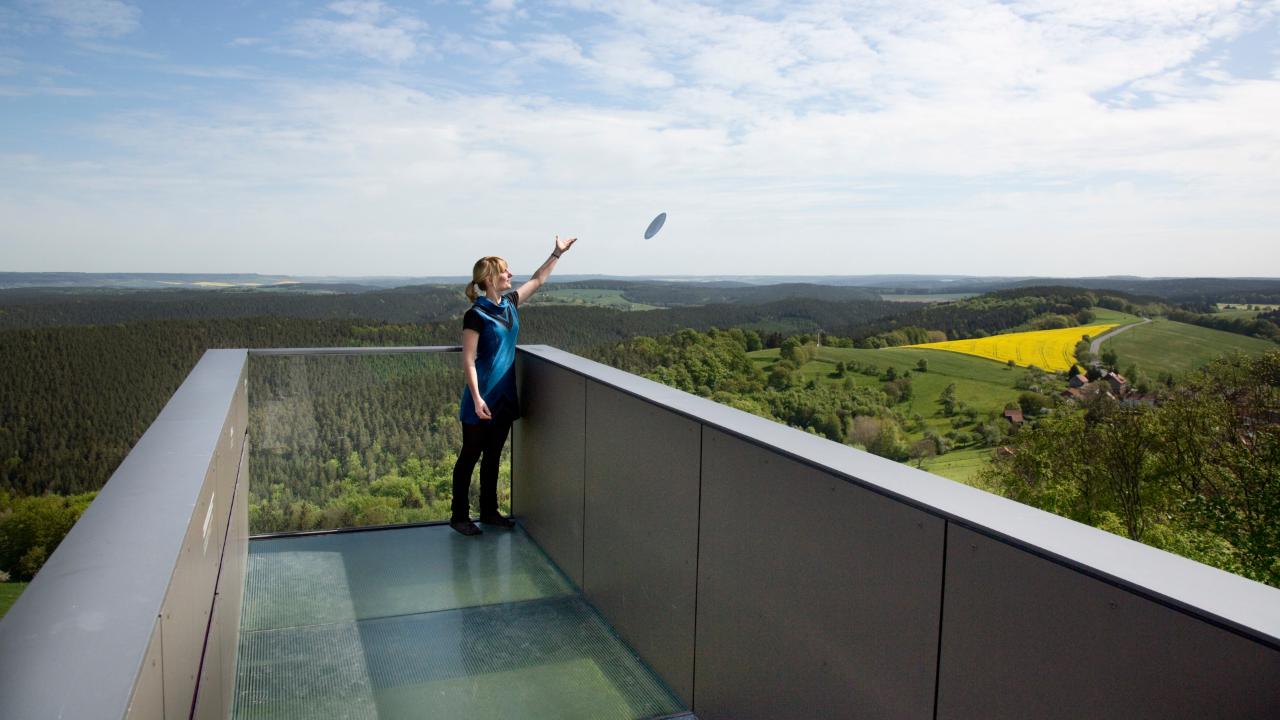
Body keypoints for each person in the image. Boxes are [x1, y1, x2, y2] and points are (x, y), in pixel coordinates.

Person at [450, 235, 577, 536]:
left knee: (493, 455)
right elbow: (469, 360)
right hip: (481, 398)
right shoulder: (476, 315)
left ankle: (489, 511)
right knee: (470, 455)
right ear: (491, 278)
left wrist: (556, 253)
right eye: (505, 271)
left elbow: (538, 280)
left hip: (505, 396)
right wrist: (478, 398)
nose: (511, 275)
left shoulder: (509, 305)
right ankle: (458, 516)